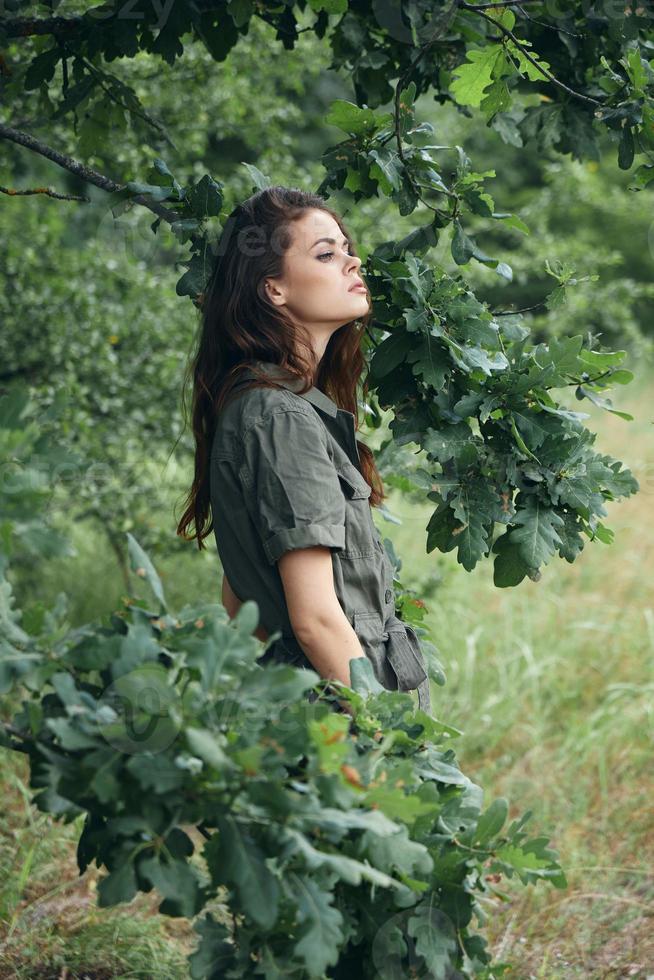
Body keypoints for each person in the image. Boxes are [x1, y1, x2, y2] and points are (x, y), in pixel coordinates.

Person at [175, 185, 431, 714]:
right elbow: (315, 619)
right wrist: (390, 746)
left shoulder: (271, 406)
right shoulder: (278, 417)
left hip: (300, 716)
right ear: (274, 289)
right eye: (325, 254)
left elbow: (239, 601)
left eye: (346, 247)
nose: (352, 261)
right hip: (337, 723)